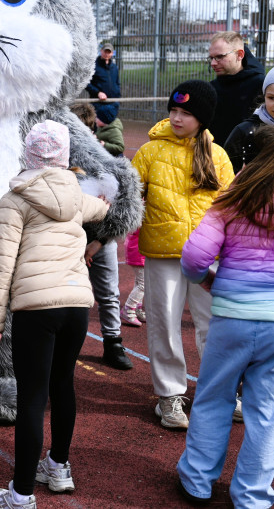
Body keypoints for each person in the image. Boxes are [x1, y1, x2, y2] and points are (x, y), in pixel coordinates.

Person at [175, 126, 274, 508]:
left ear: (254, 160)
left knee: (213, 397)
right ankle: (251, 495)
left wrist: (210, 282)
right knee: (268, 413)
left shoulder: (231, 201)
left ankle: (197, 480)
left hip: (231, 316)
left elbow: (194, 258)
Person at [0, 120, 109, 508]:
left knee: (32, 397)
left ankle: (20, 495)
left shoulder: (14, 200)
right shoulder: (75, 194)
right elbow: (105, 207)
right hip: (76, 304)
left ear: (27, 154)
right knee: (62, 384)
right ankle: (58, 466)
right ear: (65, 156)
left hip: (37, 306)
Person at [131, 80, 234, 429]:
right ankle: (170, 396)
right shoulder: (149, 152)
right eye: (173, 110)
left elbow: (229, 206)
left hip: (209, 255)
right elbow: (131, 198)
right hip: (163, 253)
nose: (176, 118)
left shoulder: (217, 156)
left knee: (214, 326)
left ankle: (218, 392)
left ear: (202, 118)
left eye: (185, 113)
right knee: (164, 323)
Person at [69, 102, 131, 370]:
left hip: (100, 238)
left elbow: (124, 207)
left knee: (107, 292)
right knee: (67, 294)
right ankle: (67, 345)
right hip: (66, 238)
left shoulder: (106, 162)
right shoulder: (60, 161)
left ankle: (113, 342)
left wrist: (99, 242)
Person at [207, 31, 265, 146]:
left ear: (239, 55)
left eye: (219, 57)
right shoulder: (210, 88)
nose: (213, 63)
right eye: (211, 58)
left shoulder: (261, 85)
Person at [85, 42, 120, 128]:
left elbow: (117, 82)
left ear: (112, 53)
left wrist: (117, 94)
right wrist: (98, 93)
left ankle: (108, 142)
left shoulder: (114, 67)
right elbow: (86, 83)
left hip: (113, 102)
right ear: (101, 51)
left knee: (112, 128)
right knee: (97, 127)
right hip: (98, 103)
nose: (107, 54)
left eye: (109, 52)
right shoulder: (93, 66)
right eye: (105, 51)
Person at [121, 230, 147, 327]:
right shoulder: (141, 216)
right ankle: (128, 308)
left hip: (138, 248)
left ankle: (136, 308)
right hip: (138, 250)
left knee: (139, 282)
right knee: (143, 284)